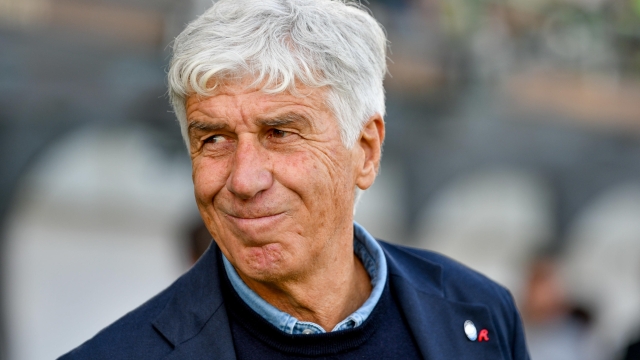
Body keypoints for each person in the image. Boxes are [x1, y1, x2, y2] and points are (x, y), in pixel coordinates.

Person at [59, 0, 529, 358]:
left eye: (280, 132)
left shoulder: (480, 312)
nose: (243, 179)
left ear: (365, 150)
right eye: (215, 139)